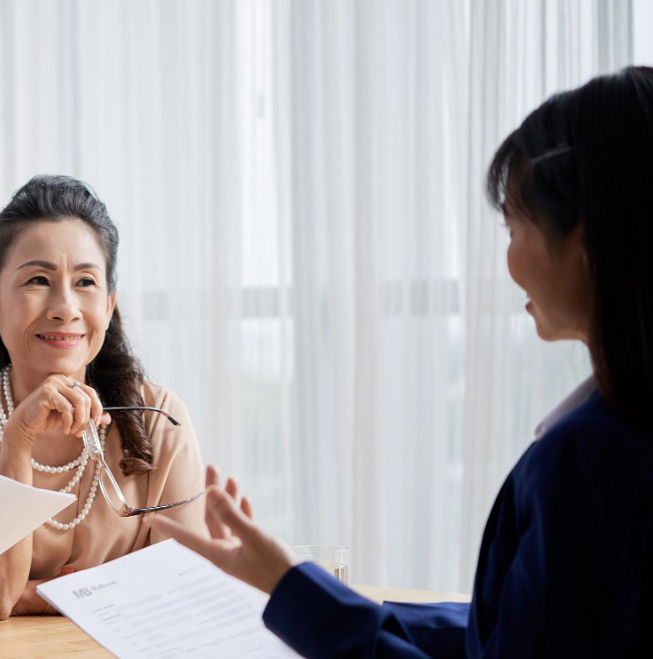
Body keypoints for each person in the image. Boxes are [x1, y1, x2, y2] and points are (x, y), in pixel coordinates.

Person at [152, 66, 653, 656]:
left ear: (586, 242)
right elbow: (522, 629)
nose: (509, 259)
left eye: (514, 227)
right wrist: (300, 588)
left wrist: (290, 589)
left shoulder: (589, 459)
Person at [0, 175, 208, 620]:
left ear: (108, 304)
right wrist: (18, 440)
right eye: (39, 279)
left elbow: (182, 585)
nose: (65, 307)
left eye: (85, 282)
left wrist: (39, 594)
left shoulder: (161, 421)